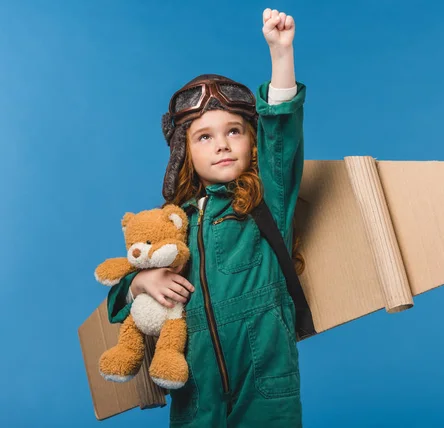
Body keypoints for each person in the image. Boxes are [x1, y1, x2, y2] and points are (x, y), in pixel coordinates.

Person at [105, 7, 307, 428]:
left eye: (234, 130)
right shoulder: (175, 224)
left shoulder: (264, 203)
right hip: (197, 391)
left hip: (265, 382)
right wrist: (141, 281)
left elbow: (282, 133)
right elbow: (123, 295)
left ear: (253, 142)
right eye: (205, 136)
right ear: (185, 153)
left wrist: (280, 53)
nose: (222, 145)